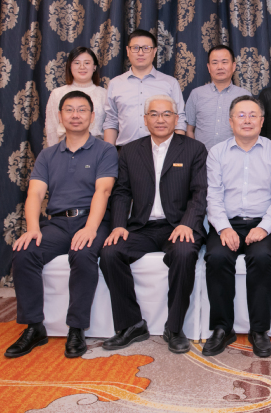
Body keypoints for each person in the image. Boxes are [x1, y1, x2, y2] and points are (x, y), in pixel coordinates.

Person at [6, 91, 117, 359]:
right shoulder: (47, 155)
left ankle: (76, 328)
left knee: (83, 253)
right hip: (57, 223)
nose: (75, 115)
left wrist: (90, 228)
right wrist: (33, 229)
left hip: (92, 220)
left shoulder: (105, 150)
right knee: (24, 252)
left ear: (92, 116)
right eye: (69, 110)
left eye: (82, 110)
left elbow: (103, 191)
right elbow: (35, 194)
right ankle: (34, 327)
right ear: (60, 116)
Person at [99, 95, 208, 354]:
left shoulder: (194, 149)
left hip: (178, 226)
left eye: (167, 114)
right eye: (155, 114)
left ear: (176, 118)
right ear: (145, 119)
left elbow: (200, 192)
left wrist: (188, 224)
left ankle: (175, 327)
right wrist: (118, 225)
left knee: (184, 253)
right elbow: (122, 192)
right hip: (142, 227)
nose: (161, 119)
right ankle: (131, 325)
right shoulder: (130, 151)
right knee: (110, 253)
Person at [204, 95, 271, 358]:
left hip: (263, 223)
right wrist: (223, 228)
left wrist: (264, 227)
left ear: (262, 121)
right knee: (217, 257)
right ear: (231, 121)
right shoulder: (216, 153)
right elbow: (213, 196)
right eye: (240, 115)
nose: (247, 120)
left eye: (253, 115)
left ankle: (259, 330)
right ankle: (222, 328)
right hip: (227, 223)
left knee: (262, 257)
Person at [104, 29, 186, 147]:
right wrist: (109, 153)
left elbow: (179, 120)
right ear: (128, 51)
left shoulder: (170, 83)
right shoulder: (115, 84)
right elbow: (111, 121)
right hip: (125, 151)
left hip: (163, 151)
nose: (140, 53)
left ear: (154, 51)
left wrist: (177, 151)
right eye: (135, 48)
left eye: (146, 48)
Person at [185, 45, 250, 150]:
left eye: (224, 62)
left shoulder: (245, 96)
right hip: (202, 156)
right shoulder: (196, 94)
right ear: (209, 67)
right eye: (215, 63)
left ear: (233, 66)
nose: (220, 67)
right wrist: (194, 153)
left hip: (235, 155)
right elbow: (189, 129)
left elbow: (249, 129)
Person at [45, 47, 107, 147]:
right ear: (70, 66)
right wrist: (54, 153)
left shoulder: (104, 94)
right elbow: (51, 128)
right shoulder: (57, 93)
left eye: (87, 63)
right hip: (64, 149)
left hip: (96, 149)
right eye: (77, 63)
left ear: (94, 67)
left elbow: (110, 128)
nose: (82, 67)